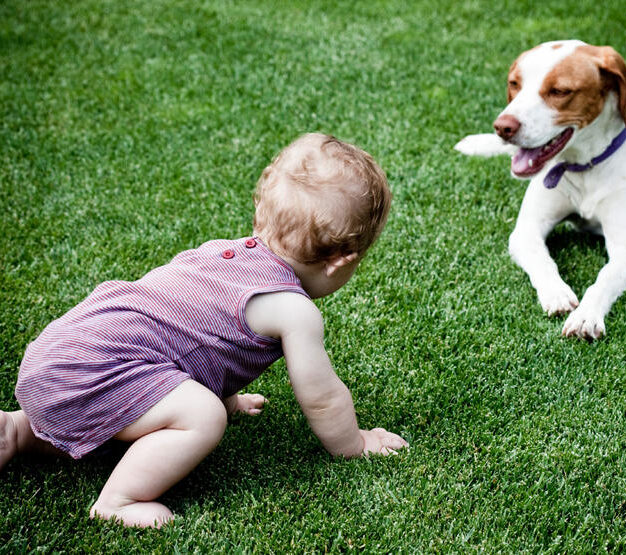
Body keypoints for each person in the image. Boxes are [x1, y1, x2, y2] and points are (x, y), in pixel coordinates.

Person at [0, 133, 408, 528]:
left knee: (162, 385)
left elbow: (197, 338)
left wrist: (231, 398)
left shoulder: (220, 253)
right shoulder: (294, 310)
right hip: (94, 371)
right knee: (202, 415)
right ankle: (118, 501)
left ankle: (17, 430)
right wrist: (355, 443)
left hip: (58, 355)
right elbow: (321, 399)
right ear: (341, 261)